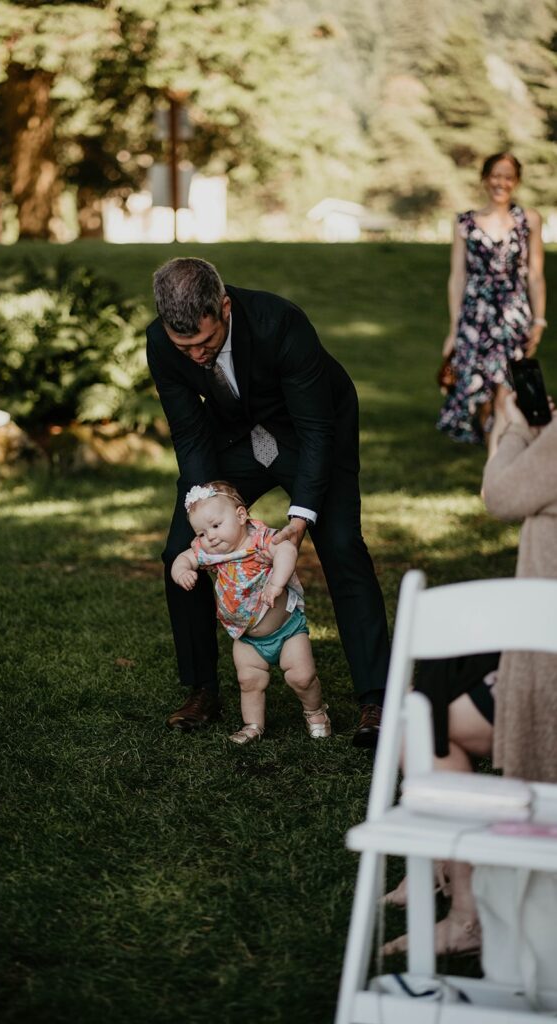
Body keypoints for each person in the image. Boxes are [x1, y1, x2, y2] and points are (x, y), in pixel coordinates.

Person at [147, 257, 390, 747]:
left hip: (311, 429)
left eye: (206, 342)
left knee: (341, 544)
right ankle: (203, 690)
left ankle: (376, 697)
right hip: (235, 439)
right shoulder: (160, 342)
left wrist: (299, 519)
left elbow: (318, 429)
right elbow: (189, 434)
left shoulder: (280, 321)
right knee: (180, 550)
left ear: (225, 307)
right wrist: (205, 515)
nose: (196, 354)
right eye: (184, 346)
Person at [383, 389, 557, 956]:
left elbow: (501, 493)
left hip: (547, 660)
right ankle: (434, 862)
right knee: (431, 680)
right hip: (535, 638)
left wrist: (508, 428)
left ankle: (466, 913)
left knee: (427, 725)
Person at [171, 481, 333, 745]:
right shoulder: (209, 551)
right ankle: (253, 724)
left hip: (286, 630)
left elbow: (287, 549)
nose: (209, 537)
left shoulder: (260, 538)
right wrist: (182, 571)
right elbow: (183, 558)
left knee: (301, 677)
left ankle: (316, 712)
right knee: (249, 681)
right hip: (245, 636)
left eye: (215, 526)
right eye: (201, 533)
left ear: (241, 515)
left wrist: (276, 583)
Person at [437, 152, 547, 446]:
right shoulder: (465, 223)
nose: (502, 182)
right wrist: (454, 328)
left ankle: (494, 470)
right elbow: (457, 277)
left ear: (517, 181)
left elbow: (535, 275)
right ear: (485, 179)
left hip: (512, 317)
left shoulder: (530, 220)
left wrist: (538, 320)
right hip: (475, 317)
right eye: (496, 175)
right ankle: (493, 450)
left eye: (508, 176)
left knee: (506, 393)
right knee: (479, 394)